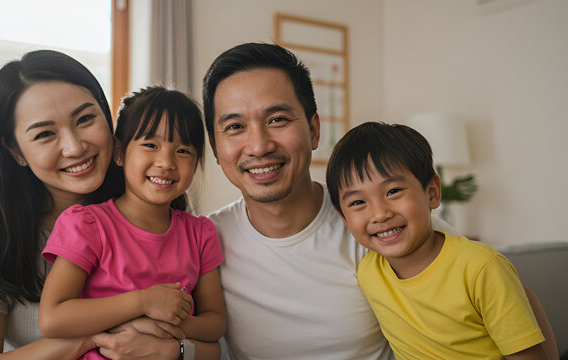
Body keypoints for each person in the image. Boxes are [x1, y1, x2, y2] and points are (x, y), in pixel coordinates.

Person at [201, 42, 557, 360]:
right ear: (216, 148)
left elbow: (515, 302)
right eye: (235, 127)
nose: (259, 145)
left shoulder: (379, 225)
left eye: (277, 119)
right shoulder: (203, 241)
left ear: (313, 131)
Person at [0, 50, 194, 360]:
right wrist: (93, 335)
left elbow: (202, 334)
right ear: (15, 150)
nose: (75, 148)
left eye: (85, 119)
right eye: (45, 134)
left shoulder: (156, 202)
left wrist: (177, 350)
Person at [326, 122, 547, 359]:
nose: (380, 214)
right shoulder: (368, 273)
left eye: (392, 191)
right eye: (358, 202)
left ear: (432, 192)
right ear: (345, 220)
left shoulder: (480, 267)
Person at [38, 87, 226, 360]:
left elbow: (215, 323)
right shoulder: (87, 226)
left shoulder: (200, 233)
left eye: (183, 150)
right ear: (119, 152)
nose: (166, 162)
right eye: (151, 145)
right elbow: (52, 319)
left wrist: (169, 322)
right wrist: (144, 303)